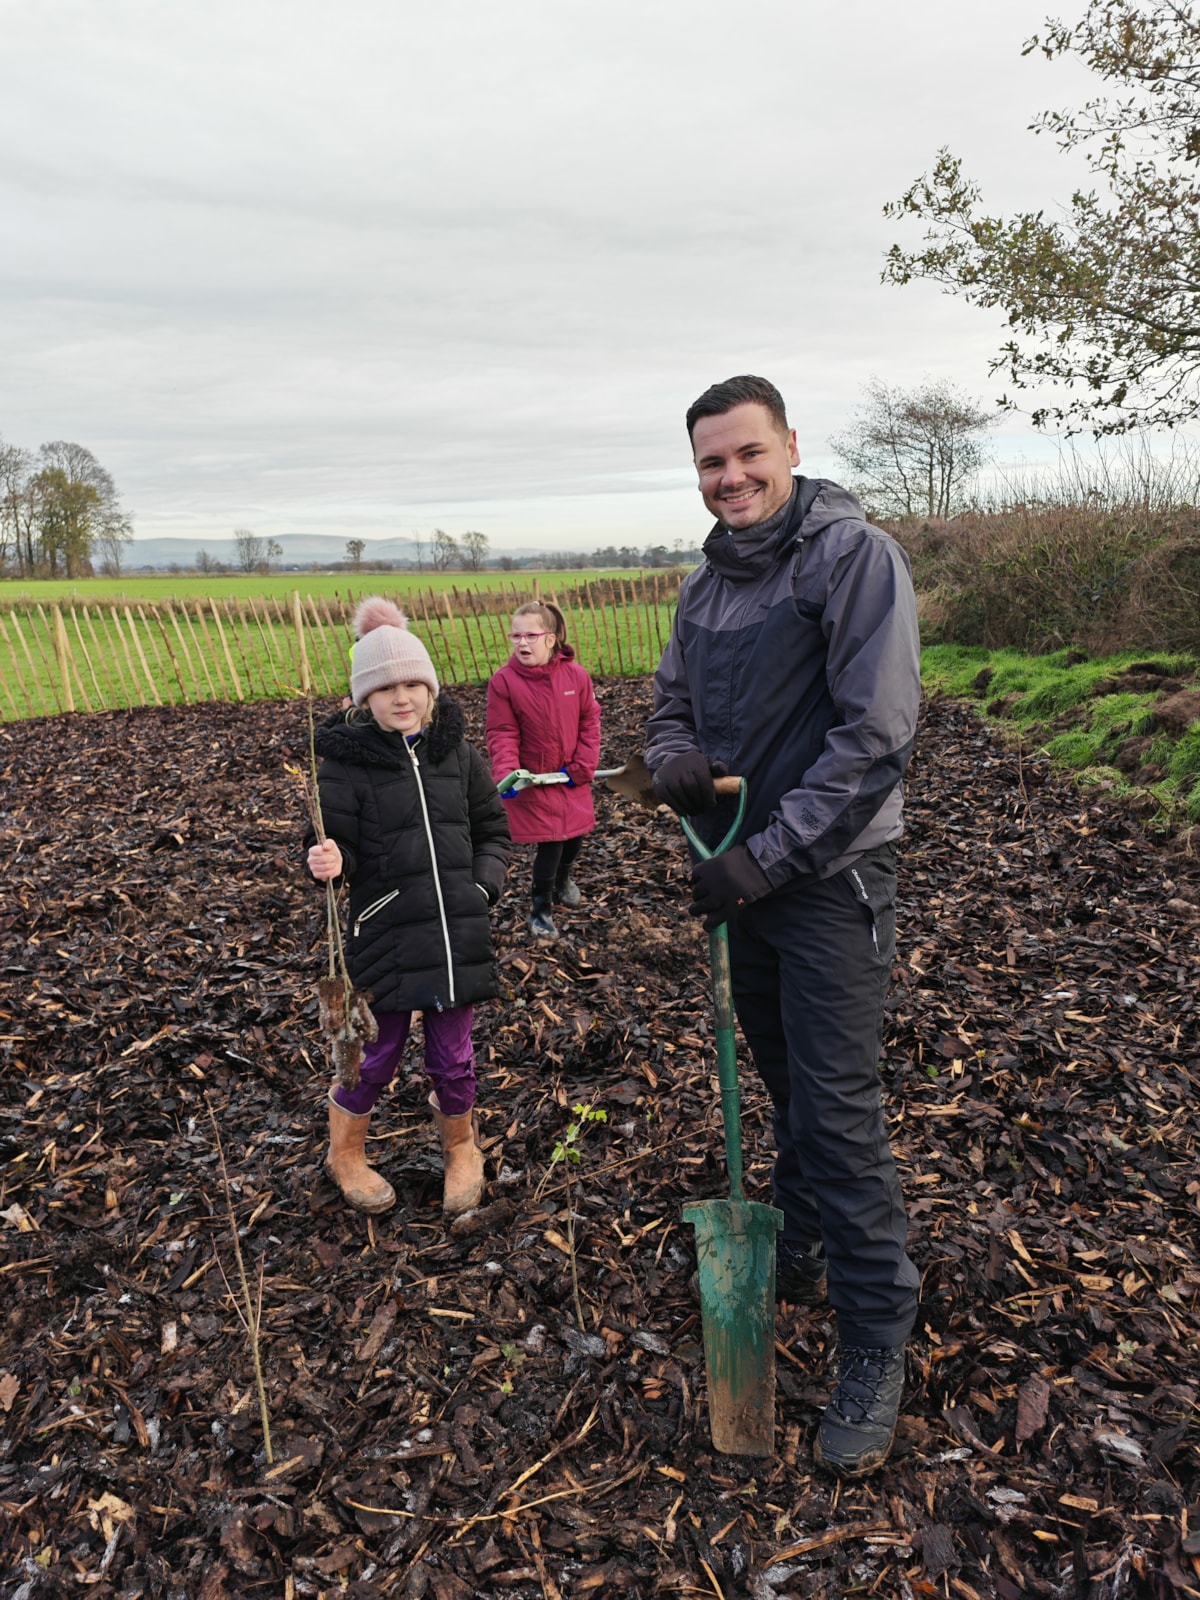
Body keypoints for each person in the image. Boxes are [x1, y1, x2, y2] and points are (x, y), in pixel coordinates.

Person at [645, 375, 922, 1478]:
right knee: (789, 1087)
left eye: (749, 455)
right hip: (738, 877)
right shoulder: (703, 585)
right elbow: (671, 700)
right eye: (712, 464)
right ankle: (798, 1244)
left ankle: (875, 1336)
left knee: (841, 1116)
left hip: (823, 881)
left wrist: (769, 855)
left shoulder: (853, 560)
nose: (732, 479)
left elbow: (874, 735)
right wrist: (669, 756)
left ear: (790, 446)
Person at [306, 597, 510, 1218]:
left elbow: (492, 829)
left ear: (430, 687)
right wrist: (327, 864)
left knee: (453, 1057)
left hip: (455, 932)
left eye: (413, 684)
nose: (403, 698)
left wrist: (481, 889)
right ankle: (346, 1154)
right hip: (386, 935)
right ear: (363, 698)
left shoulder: (458, 754)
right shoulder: (343, 765)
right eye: (386, 687)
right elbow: (329, 847)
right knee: (371, 1054)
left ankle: (461, 1148)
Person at [486, 600, 602, 940]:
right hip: (534, 781)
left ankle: (564, 880)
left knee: (575, 835)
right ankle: (541, 909)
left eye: (530, 635)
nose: (522, 642)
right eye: (516, 635)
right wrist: (507, 771)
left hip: (570, 776)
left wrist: (584, 762)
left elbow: (589, 719)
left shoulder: (576, 676)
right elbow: (502, 731)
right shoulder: (504, 682)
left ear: (550, 639)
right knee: (551, 843)